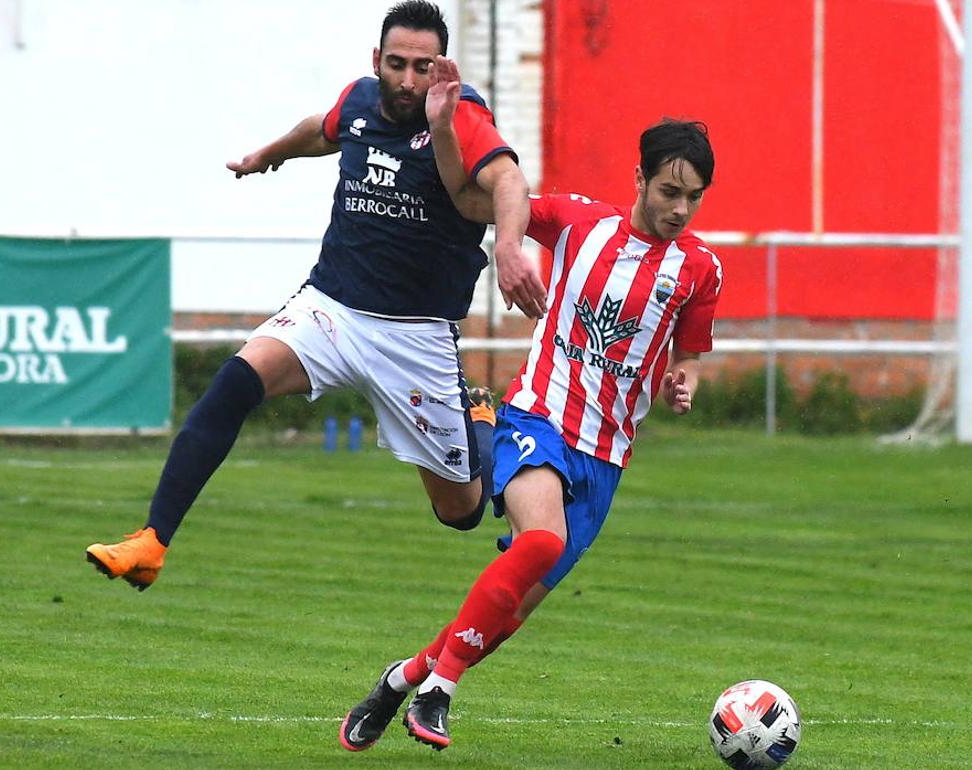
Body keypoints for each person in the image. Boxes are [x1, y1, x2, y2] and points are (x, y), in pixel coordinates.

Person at [86, 1, 548, 591]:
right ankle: (152, 542)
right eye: (398, 64)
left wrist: (510, 247)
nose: (409, 80)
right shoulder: (360, 100)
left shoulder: (458, 117)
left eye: (423, 66)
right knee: (234, 383)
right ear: (378, 60)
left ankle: (479, 421)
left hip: (415, 334)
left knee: (460, 511)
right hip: (330, 307)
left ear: (441, 67)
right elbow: (320, 129)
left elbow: (508, 177)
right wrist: (267, 156)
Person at [337, 55, 723, 752]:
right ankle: (439, 693)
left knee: (509, 611)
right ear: (639, 178)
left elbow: (689, 351)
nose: (679, 209)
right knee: (539, 540)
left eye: (692, 198)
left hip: (605, 459)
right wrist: (448, 126)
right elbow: (469, 197)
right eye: (669, 190)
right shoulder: (578, 221)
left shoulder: (699, 271)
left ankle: (403, 679)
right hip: (538, 418)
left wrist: (684, 378)